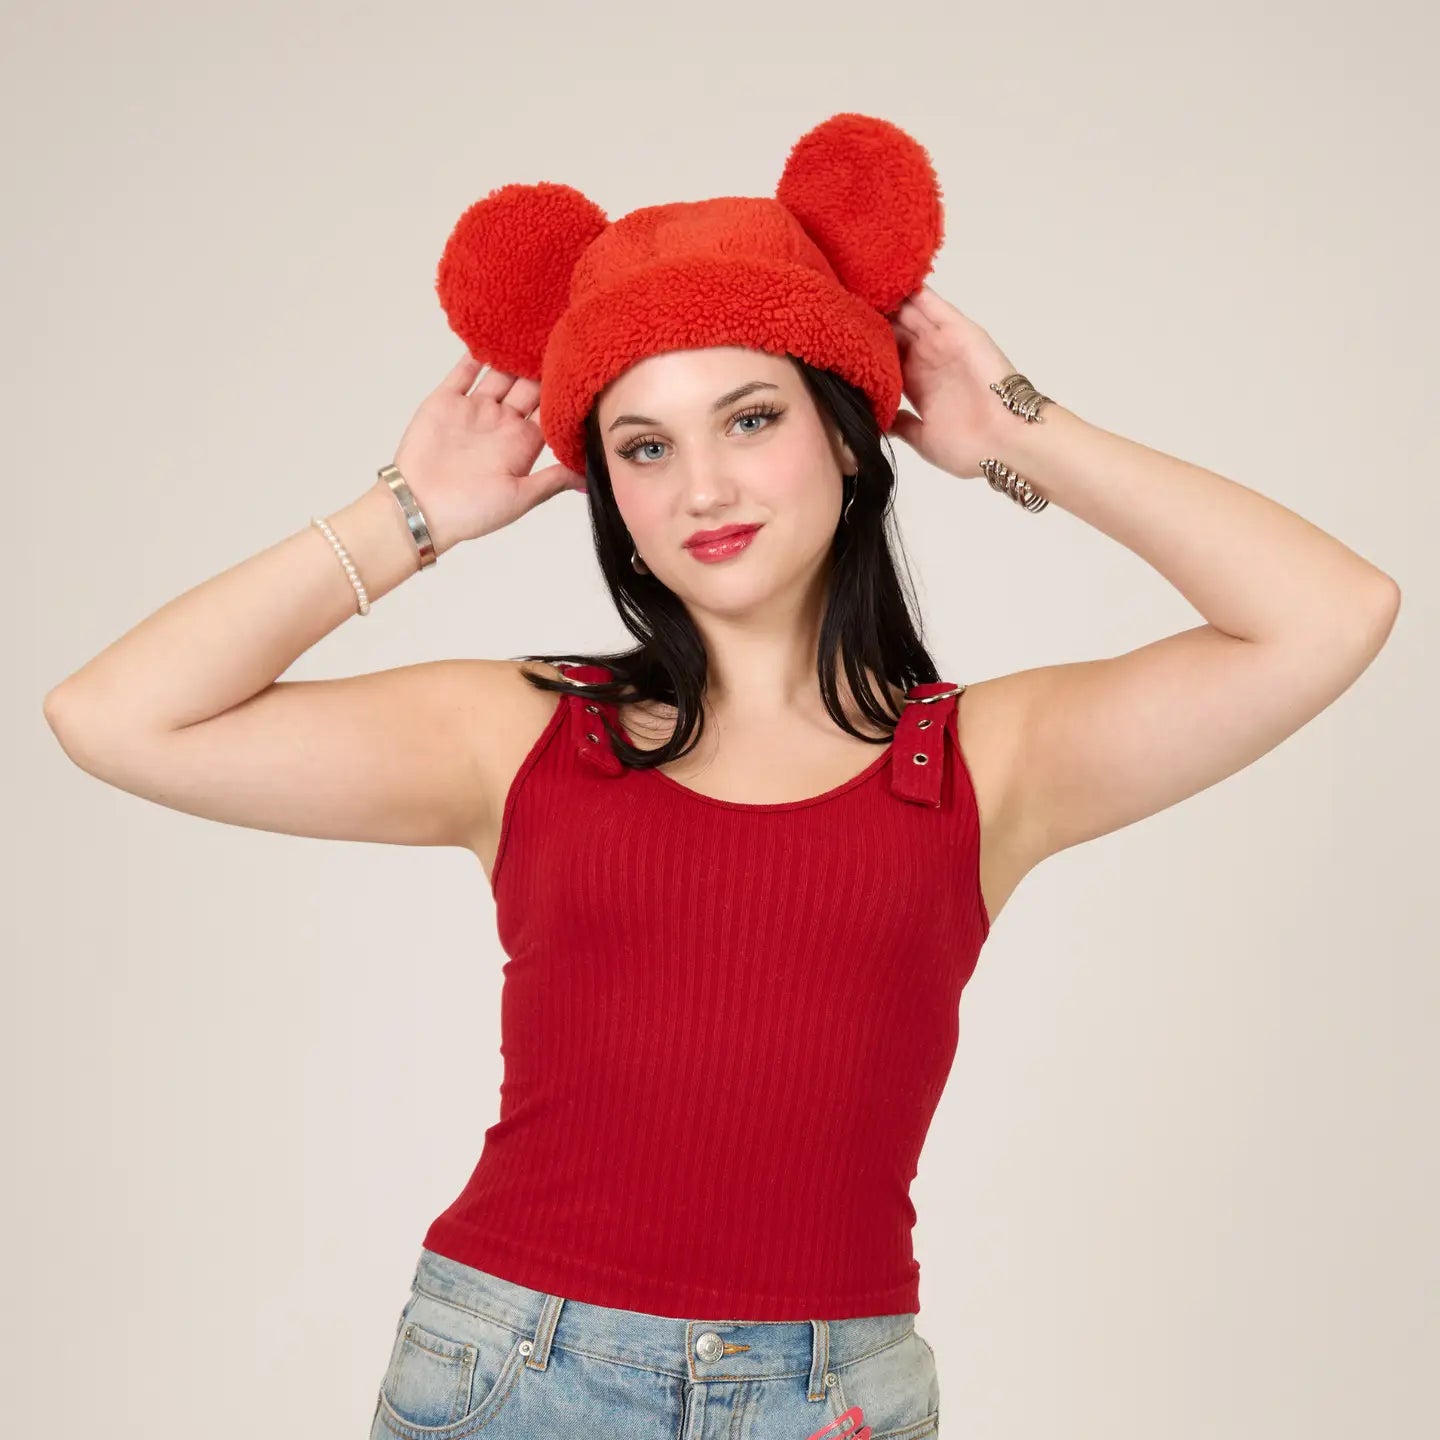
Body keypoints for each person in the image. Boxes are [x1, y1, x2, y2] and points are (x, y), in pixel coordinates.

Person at [41, 113, 1400, 1439]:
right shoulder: (525, 732)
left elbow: (1330, 613)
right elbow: (116, 718)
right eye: (645, 445)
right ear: (610, 488)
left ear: (847, 432)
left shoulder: (986, 763)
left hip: (834, 1398)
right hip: (520, 1379)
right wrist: (413, 515)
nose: (702, 487)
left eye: (750, 419)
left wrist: (1020, 431)